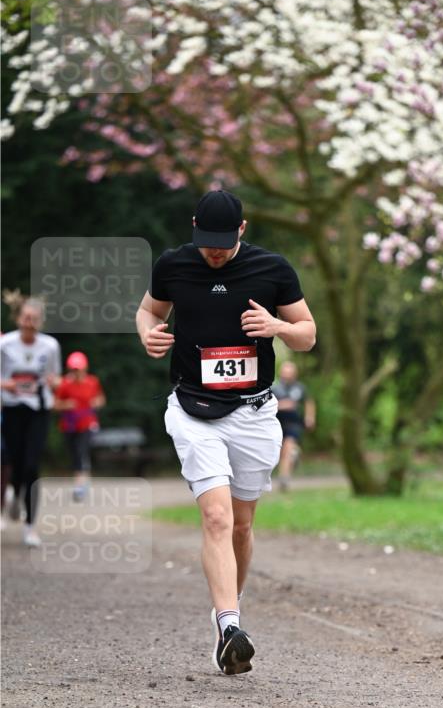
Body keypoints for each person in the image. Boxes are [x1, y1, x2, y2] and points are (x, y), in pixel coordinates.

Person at [136, 190, 316, 675]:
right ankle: (229, 626)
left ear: (242, 229)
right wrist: (148, 331)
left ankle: (229, 609)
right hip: (193, 410)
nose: (213, 252)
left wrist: (277, 325)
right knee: (215, 518)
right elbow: (149, 310)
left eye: (222, 242)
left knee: (240, 524)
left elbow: (308, 332)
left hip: (253, 414)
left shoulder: (273, 269)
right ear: (194, 227)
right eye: (205, 242)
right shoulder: (174, 264)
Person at [0, 294, 61, 545]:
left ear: (40, 321)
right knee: (14, 460)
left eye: (35, 319)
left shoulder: (50, 346)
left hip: (39, 409)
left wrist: (52, 382)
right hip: (13, 408)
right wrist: (9, 385)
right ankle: (14, 493)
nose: (30, 322)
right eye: (26, 318)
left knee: (32, 465)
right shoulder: (6, 345)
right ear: (18, 318)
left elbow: (56, 378)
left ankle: (30, 527)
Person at [54, 351, 106, 500]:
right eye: (74, 369)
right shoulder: (64, 384)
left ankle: (79, 485)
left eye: (79, 369)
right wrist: (66, 404)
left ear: (85, 368)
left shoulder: (92, 382)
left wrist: (97, 402)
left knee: (80, 451)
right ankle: (84, 475)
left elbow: (101, 399)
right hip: (69, 425)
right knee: (75, 454)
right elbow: (55, 404)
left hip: (87, 423)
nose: (76, 372)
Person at [273, 359, 316, 490]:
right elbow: (266, 405)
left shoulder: (300, 388)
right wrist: (281, 405)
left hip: (294, 424)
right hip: (278, 424)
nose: (287, 376)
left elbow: (309, 402)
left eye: (290, 373)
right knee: (282, 453)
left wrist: (310, 417)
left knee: (288, 448)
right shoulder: (274, 388)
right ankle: (294, 456)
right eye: (285, 373)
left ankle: (284, 478)